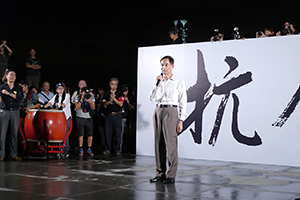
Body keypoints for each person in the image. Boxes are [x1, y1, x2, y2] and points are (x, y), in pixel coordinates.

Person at [149, 55, 187, 184]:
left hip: (171, 111)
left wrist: (181, 120)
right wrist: (157, 84)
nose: (163, 67)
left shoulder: (179, 82)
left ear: (172, 66)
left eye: (166, 64)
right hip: (158, 110)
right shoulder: (159, 81)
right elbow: (152, 97)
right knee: (158, 143)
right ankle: (160, 173)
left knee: (170, 144)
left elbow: (183, 103)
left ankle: (171, 175)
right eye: (162, 65)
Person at [0, 69, 23, 161]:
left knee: (14, 134)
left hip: (15, 112)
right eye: (10, 74)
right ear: (6, 76)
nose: (12, 76)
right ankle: (1, 154)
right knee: (2, 134)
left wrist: (8, 93)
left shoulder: (18, 88)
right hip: (4, 111)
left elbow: (19, 98)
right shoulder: (2, 87)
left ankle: (14, 154)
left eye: (14, 75)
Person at [44, 83, 72, 158]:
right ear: (56, 90)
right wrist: (44, 106)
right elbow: (50, 102)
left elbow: (64, 104)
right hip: (59, 120)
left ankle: (65, 150)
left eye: (62, 88)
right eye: (59, 88)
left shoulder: (67, 95)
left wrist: (60, 107)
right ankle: (60, 150)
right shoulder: (55, 96)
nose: (60, 90)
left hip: (66, 118)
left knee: (65, 135)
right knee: (60, 135)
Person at [102, 77, 124, 155]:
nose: (114, 85)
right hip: (109, 115)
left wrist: (114, 99)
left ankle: (117, 149)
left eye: (115, 84)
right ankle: (108, 149)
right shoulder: (106, 93)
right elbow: (104, 104)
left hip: (117, 115)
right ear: (110, 84)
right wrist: (110, 100)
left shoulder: (120, 93)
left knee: (118, 133)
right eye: (112, 84)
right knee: (108, 133)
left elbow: (121, 104)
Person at [75, 86, 95, 156]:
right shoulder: (77, 97)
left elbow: (93, 107)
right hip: (80, 117)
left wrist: (89, 101)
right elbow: (77, 108)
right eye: (84, 92)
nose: (86, 94)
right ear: (81, 92)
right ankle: (81, 148)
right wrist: (81, 99)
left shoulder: (91, 97)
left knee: (90, 134)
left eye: (87, 92)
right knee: (81, 134)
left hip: (88, 118)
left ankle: (89, 148)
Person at [120, 84, 130, 152]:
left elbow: (131, 107)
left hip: (127, 117)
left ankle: (126, 148)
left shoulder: (130, 97)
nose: (125, 93)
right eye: (124, 91)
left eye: (126, 91)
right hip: (121, 117)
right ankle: (119, 148)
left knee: (126, 133)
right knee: (120, 133)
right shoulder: (120, 97)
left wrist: (128, 101)